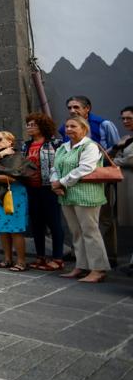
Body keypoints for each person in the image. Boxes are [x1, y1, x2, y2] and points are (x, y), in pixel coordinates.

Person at [59, 95, 120, 264]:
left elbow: (116, 150)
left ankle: (108, 257)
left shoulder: (104, 125)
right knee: (78, 224)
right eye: (70, 108)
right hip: (74, 181)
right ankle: (82, 258)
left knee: (103, 219)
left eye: (76, 107)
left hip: (99, 178)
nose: (72, 111)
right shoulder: (65, 127)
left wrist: (92, 160)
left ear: (87, 109)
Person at [52, 116, 109, 283]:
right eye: (67, 126)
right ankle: (81, 265)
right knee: (76, 232)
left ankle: (98, 269)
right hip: (66, 194)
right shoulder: (63, 147)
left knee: (90, 232)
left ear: (84, 129)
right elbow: (55, 168)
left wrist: (60, 182)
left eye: (73, 126)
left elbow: (85, 168)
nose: (69, 129)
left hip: (87, 195)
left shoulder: (90, 146)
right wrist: (54, 183)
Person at [0, 131, 34, 271]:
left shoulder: (17, 157)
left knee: (15, 229)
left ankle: (21, 262)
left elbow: (13, 178)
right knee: (2, 229)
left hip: (13, 195)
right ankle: (7, 259)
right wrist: (2, 154)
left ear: (10, 141)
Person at [23, 113, 66, 271]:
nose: (29, 127)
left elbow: (60, 165)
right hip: (32, 188)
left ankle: (58, 258)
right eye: (28, 124)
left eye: (33, 124)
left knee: (54, 223)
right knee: (37, 224)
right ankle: (40, 257)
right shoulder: (26, 145)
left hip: (49, 188)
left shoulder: (55, 144)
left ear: (42, 126)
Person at [113, 106, 133, 227]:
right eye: (123, 118)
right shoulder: (127, 138)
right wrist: (118, 146)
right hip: (126, 183)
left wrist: (113, 161)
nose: (125, 121)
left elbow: (131, 160)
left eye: (129, 118)